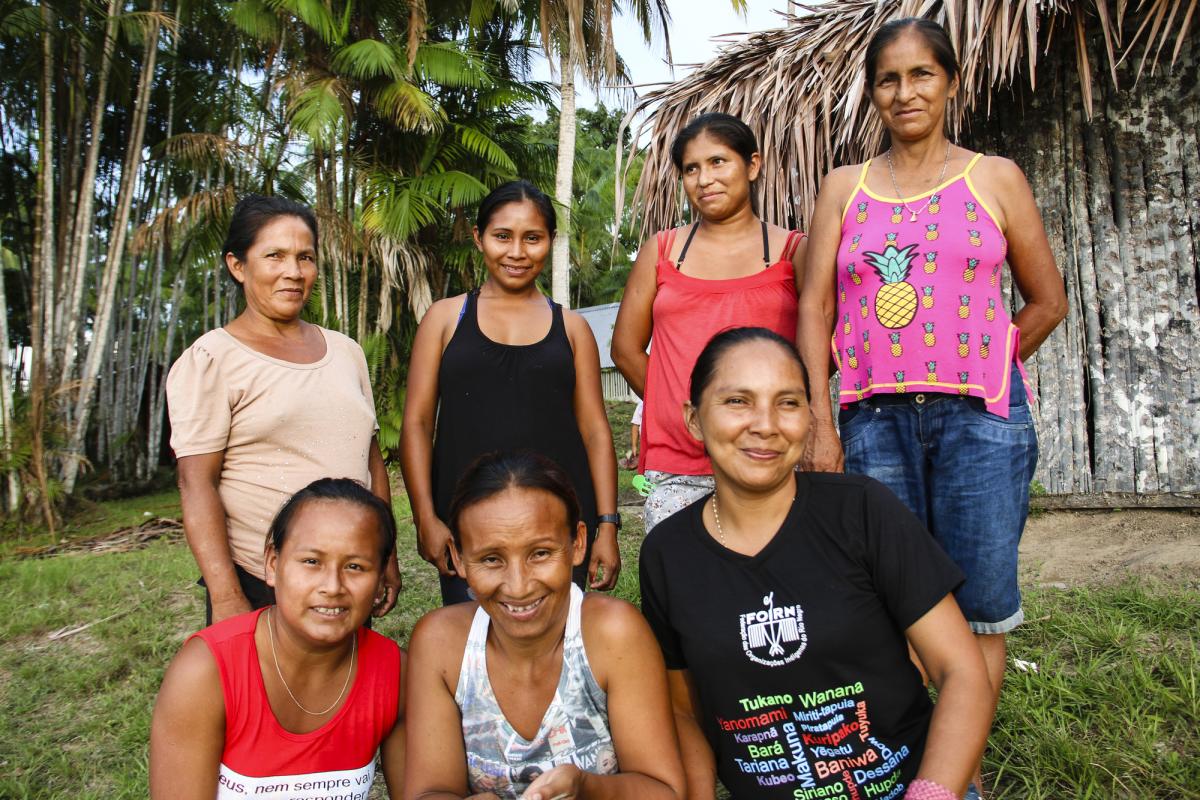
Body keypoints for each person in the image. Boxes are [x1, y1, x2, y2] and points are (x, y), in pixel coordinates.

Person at [797, 17, 1068, 792]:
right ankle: (914, 763)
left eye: (922, 75)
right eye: (889, 78)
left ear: (950, 83)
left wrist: (986, 365)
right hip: (872, 420)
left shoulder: (995, 178)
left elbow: (1046, 301)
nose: (905, 91)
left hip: (982, 424)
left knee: (979, 608)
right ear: (873, 93)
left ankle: (956, 784)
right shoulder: (843, 188)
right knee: (895, 606)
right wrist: (822, 418)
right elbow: (814, 311)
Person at [640, 327, 995, 800]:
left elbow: (962, 671)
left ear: (809, 417)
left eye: (788, 402)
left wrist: (932, 793)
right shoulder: (668, 553)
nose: (765, 424)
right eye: (737, 402)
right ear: (694, 420)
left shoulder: (862, 511)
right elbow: (683, 712)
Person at [167, 195, 399, 624]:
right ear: (238, 265)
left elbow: (371, 463)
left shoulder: (346, 352)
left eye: (305, 257)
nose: (293, 272)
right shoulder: (213, 359)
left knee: (345, 687)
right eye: (274, 256)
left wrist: (386, 555)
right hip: (261, 582)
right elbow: (195, 484)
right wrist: (226, 594)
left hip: (346, 577)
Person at [404, 451, 687, 800]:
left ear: (578, 543)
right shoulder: (440, 646)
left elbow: (662, 790)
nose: (519, 586)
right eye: (491, 559)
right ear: (459, 558)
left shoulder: (614, 635)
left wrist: (586, 788)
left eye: (540, 553)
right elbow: (430, 791)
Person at [400, 180, 620, 605]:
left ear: (550, 242)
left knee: (553, 643)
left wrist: (607, 524)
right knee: (472, 642)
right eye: (503, 236)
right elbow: (417, 422)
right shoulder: (445, 319)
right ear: (478, 238)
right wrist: (425, 517)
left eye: (532, 238)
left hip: (557, 525)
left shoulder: (572, 329)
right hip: (469, 524)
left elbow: (594, 431)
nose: (517, 252)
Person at [149, 478, 405, 799]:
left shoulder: (395, 673)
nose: (333, 586)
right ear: (273, 564)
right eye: (311, 562)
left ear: (381, 578)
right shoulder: (206, 671)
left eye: (355, 566)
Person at [612, 112, 807, 532]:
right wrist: (682, 411)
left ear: (752, 165)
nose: (704, 179)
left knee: (774, 593)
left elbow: (819, 346)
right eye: (691, 169)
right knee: (684, 590)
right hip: (679, 464)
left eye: (719, 162)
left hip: (769, 456)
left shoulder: (793, 251)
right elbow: (625, 349)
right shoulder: (663, 250)